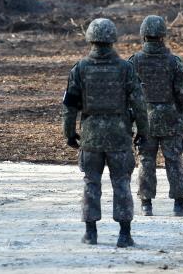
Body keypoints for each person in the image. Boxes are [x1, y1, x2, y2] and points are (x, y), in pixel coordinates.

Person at [62, 18, 149, 248]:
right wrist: (143, 131)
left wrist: (69, 133)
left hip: (90, 137)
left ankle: (91, 233)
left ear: (90, 38)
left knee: (91, 183)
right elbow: (139, 103)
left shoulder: (79, 69)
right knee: (121, 183)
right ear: (112, 39)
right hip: (119, 136)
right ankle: (124, 234)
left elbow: (70, 105)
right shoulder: (125, 68)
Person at [129, 15, 183, 217]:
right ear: (163, 36)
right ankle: (179, 204)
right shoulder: (173, 62)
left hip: (144, 120)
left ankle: (146, 204)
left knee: (145, 160)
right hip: (170, 119)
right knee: (173, 160)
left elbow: (127, 95)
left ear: (143, 35)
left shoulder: (133, 62)